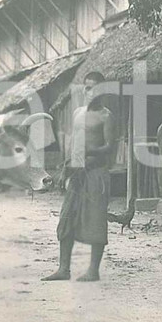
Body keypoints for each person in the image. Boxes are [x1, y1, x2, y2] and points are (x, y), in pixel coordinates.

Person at [43, 71, 116, 282]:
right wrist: (66, 167)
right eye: (87, 87)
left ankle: (93, 271)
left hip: (96, 173)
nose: (89, 91)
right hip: (76, 173)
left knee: (96, 220)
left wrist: (89, 153)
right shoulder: (77, 113)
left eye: (94, 88)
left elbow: (110, 146)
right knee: (66, 219)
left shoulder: (106, 116)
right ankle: (63, 269)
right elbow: (74, 143)